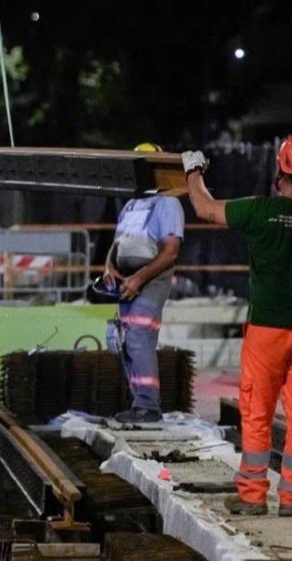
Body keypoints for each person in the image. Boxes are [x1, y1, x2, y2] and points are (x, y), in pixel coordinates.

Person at [182, 135, 292, 517]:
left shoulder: (258, 211)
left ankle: (252, 496)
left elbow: (204, 208)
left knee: (257, 412)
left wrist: (193, 171)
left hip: (266, 330)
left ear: (281, 170)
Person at [103, 142, 184, 424]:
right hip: (127, 280)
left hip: (150, 279)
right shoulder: (131, 205)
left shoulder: (168, 203)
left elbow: (170, 251)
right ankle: (139, 404)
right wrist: (109, 267)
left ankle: (148, 406)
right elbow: (118, 243)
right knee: (126, 341)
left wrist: (138, 279)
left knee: (139, 338)